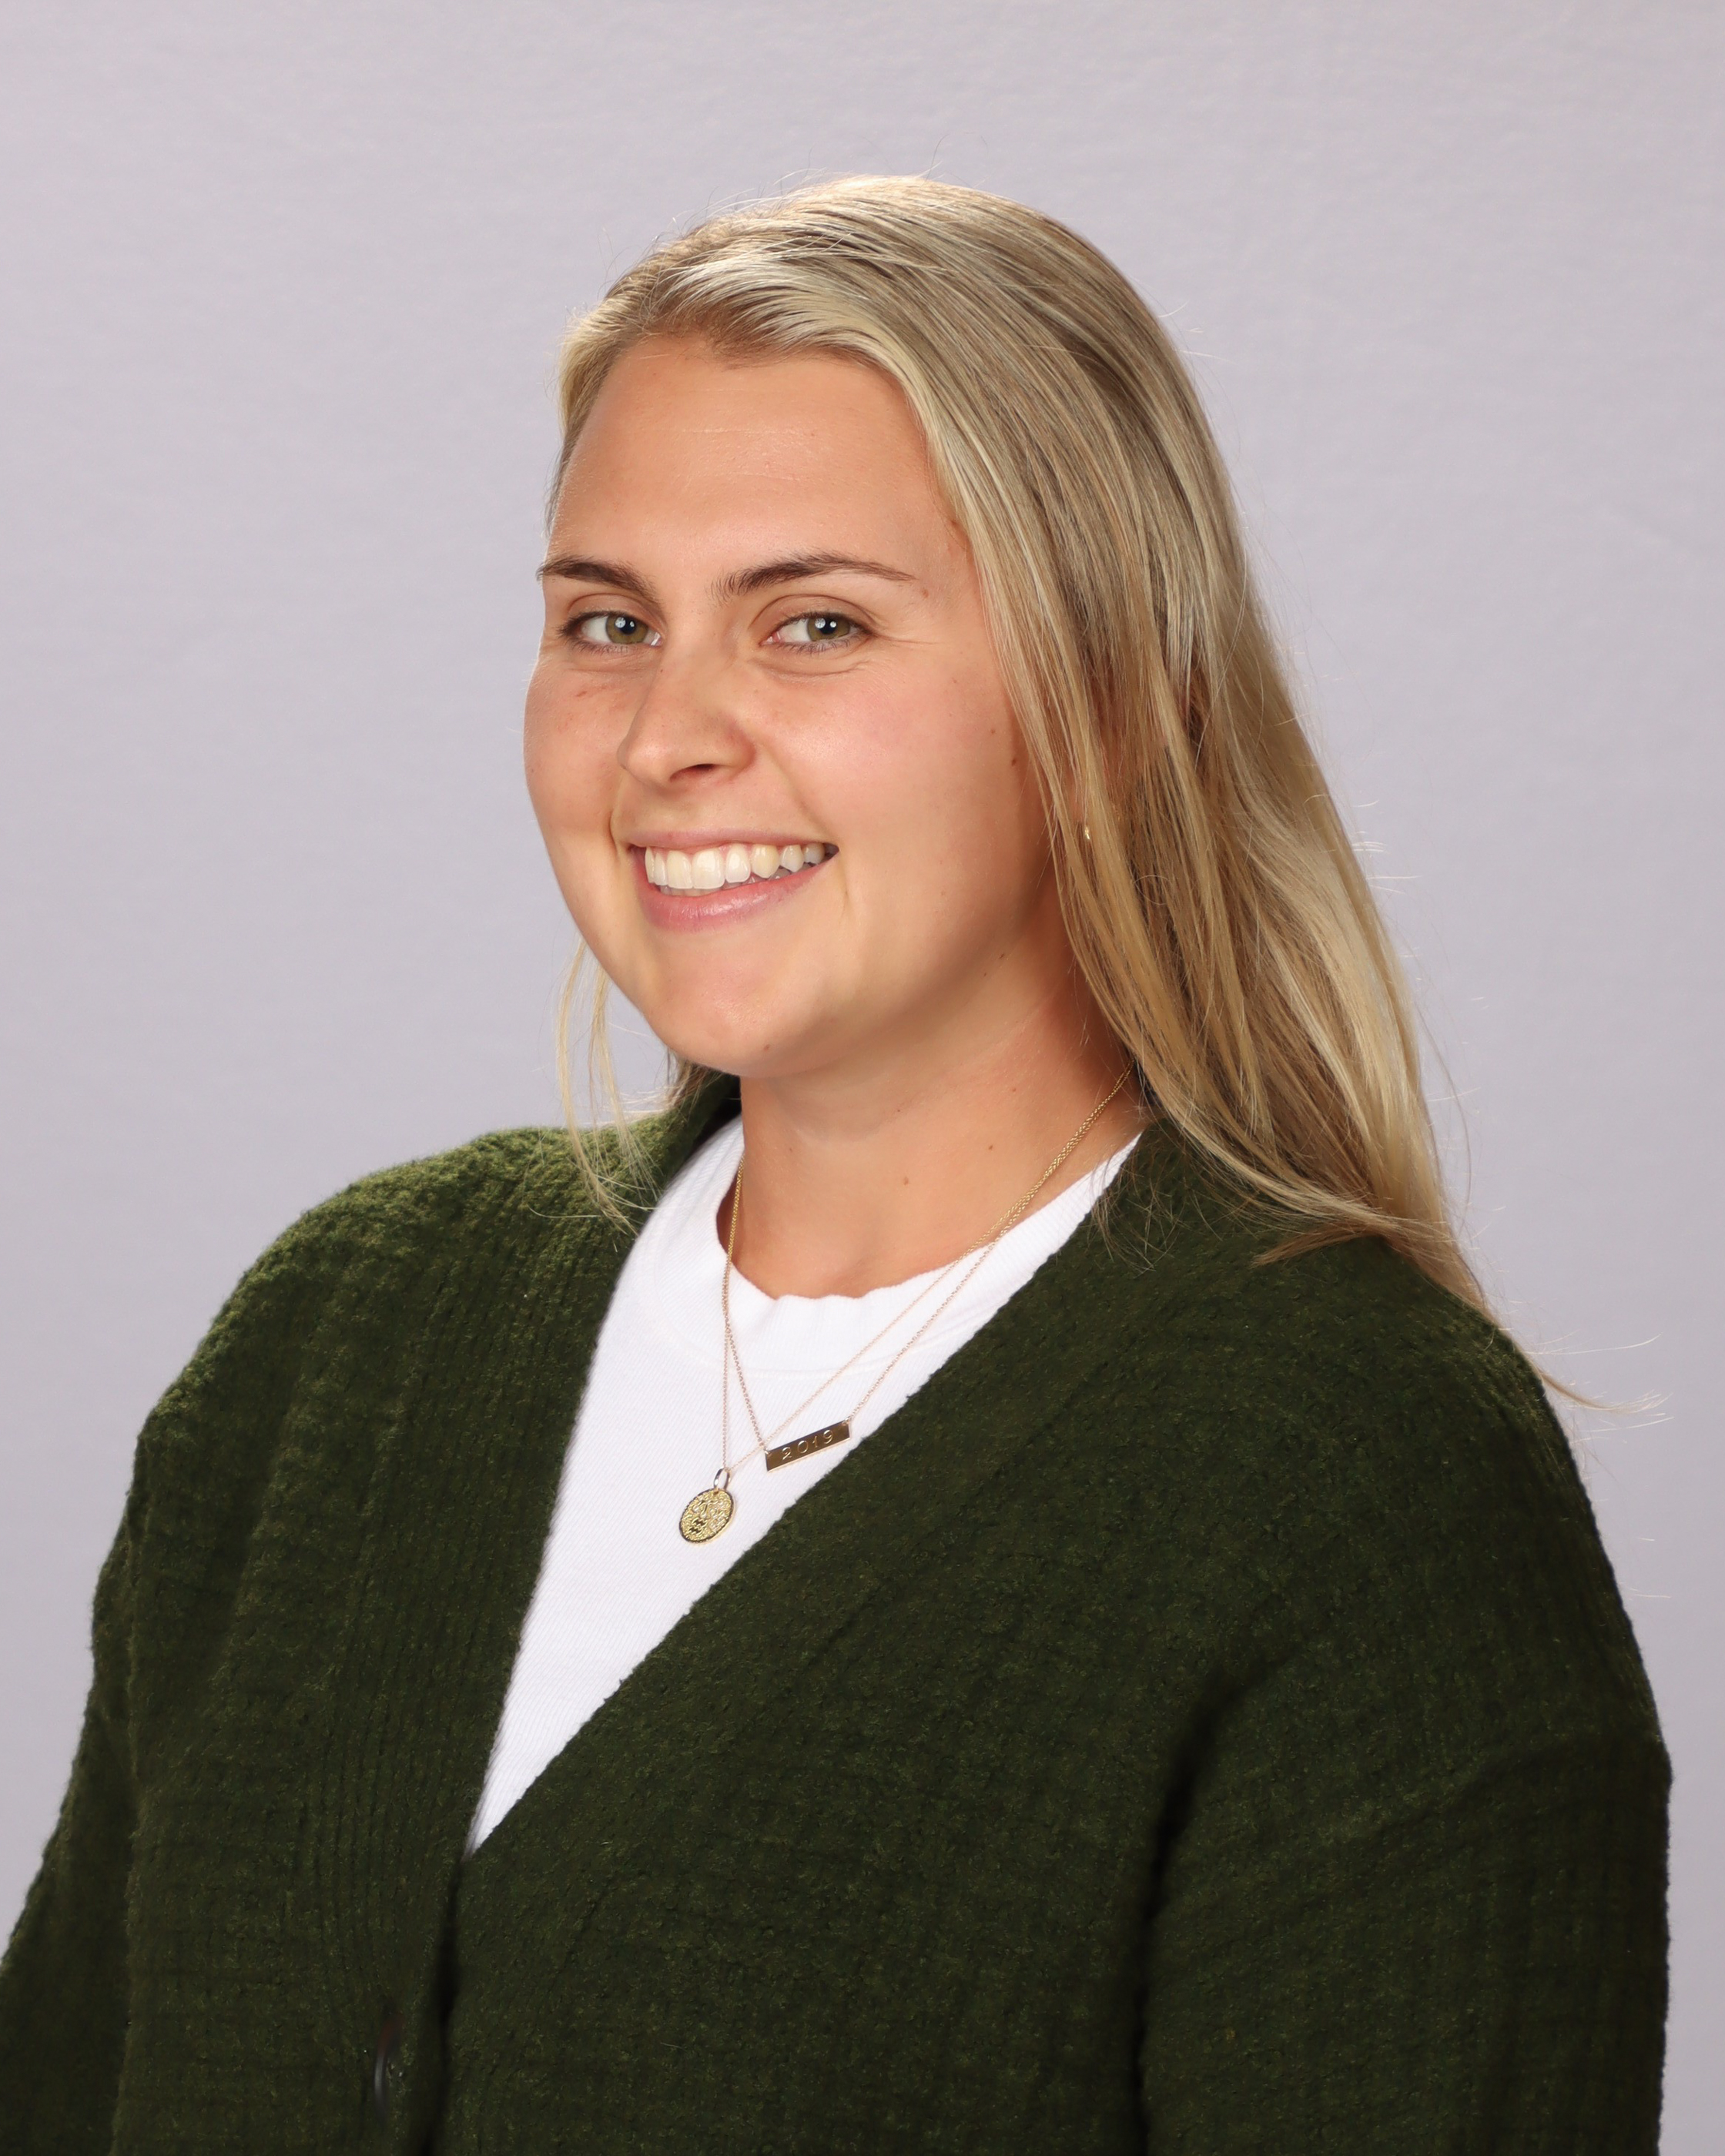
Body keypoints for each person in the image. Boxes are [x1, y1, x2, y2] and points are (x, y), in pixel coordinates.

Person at [0, 176, 1667, 2152]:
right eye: (608, 621)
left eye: (814, 624)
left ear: (1115, 705)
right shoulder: (341, 1343)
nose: (667, 736)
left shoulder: (1363, 1476)